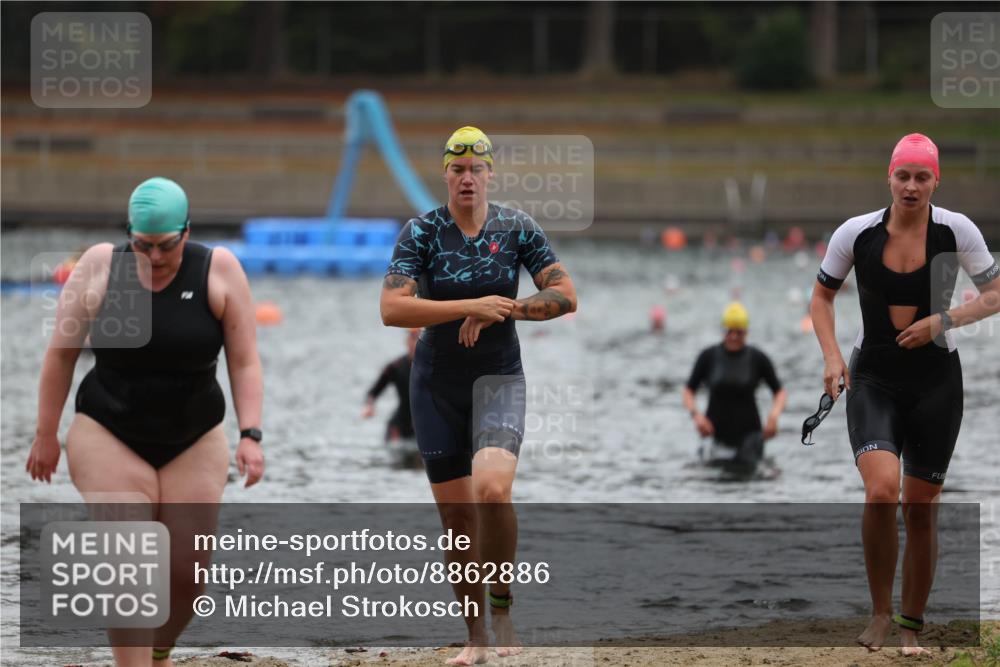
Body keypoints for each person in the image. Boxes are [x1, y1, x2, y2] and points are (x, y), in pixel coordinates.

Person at [26, 176, 265, 666]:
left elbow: (244, 361)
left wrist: (250, 435)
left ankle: (159, 648)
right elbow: (60, 357)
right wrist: (46, 434)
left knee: (188, 572)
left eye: (165, 246)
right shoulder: (99, 267)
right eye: (142, 245)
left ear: (186, 232)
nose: (154, 258)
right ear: (129, 234)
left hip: (194, 435)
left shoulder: (216, 269)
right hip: (108, 430)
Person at [380, 127, 577, 665]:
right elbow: (392, 309)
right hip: (435, 384)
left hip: (498, 379)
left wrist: (502, 307)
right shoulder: (421, 232)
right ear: (445, 173)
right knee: (458, 519)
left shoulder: (516, 227)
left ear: (490, 173)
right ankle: (475, 636)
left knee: (492, 490)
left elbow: (565, 295)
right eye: (457, 169)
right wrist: (467, 304)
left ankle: (502, 604)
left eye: (477, 169)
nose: (467, 178)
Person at [809, 133, 1000, 654]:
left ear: (936, 181)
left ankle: (911, 625)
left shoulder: (956, 230)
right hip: (872, 378)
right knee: (880, 489)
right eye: (903, 175)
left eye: (922, 176)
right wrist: (831, 357)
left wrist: (944, 319)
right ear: (889, 178)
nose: (911, 186)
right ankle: (878, 615)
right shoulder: (857, 233)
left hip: (937, 382)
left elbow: (996, 295)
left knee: (921, 508)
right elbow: (822, 299)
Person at [682, 302, 787, 476]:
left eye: (739, 332)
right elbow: (688, 391)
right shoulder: (708, 357)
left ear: (746, 332)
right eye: (729, 331)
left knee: (748, 476)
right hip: (715, 436)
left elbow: (780, 392)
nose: (734, 337)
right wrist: (697, 416)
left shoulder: (757, 358)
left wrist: (774, 416)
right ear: (723, 331)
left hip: (750, 435)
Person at [363, 328, 420, 467]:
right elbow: (373, 392)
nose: (415, 343)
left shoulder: (433, 366)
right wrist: (369, 406)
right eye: (412, 338)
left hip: (423, 425)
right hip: (400, 424)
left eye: (418, 338)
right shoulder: (396, 366)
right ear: (406, 341)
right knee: (395, 456)